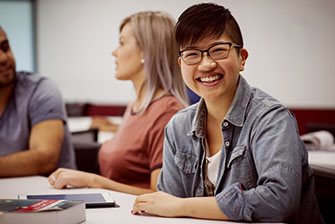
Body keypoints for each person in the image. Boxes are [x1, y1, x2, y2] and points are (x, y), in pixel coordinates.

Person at [132, 3, 324, 223]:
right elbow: (166, 208)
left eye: (218, 50)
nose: (206, 64)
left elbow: (279, 201)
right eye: (192, 54)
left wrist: (183, 206)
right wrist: (174, 206)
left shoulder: (271, 119)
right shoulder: (178, 126)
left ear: (242, 58)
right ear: (180, 64)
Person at [48, 11, 188, 195]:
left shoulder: (167, 113)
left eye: (122, 43)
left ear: (146, 51)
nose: (114, 51)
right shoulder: (134, 107)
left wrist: (92, 181)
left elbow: (161, 196)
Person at [0, 27, 76, 177]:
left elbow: (45, 159)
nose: (3, 58)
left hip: (51, 195)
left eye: (5, 48)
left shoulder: (41, 89)